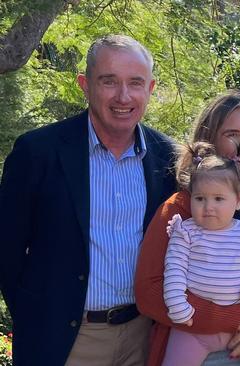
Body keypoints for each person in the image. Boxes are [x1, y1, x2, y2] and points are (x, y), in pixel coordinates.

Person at [0, 35, 177, 366]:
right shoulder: (38, 153)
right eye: (109, 81)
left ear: (150, 88)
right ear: (85, 84)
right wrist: (32, 315)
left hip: (143, 336)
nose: (123, 96)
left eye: (135, 83)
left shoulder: (168, 157)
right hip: (65, 341)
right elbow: (6, 249)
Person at [135, 91, 240, 366]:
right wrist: (238, 319)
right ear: (210, 139)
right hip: (195, 348)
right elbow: (149, 292)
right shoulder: (181, 209)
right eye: (233, 135)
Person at [161, 142, 240, 366]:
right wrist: (177, 304)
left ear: (237, 200)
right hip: (195, 327)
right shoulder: (185, 232)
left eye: (218, 199)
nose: (208, 207)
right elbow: (174, 269)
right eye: (200, 199)